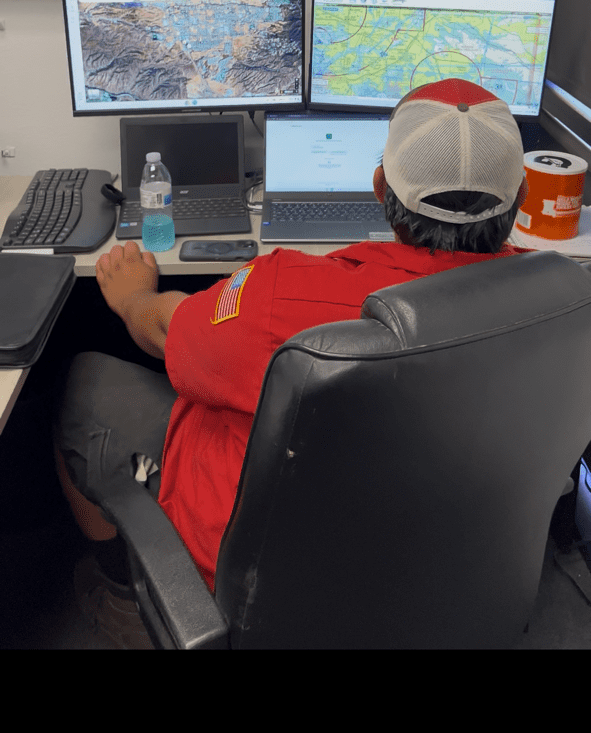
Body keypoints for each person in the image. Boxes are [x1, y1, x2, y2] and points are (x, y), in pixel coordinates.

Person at [53, 77, 533, 647]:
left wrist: (134, 299)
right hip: (448, 556)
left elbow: (169, 334)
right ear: (521, 196)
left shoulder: (280, 294)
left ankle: (124, 596)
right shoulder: (558, 295)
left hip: (261, 570)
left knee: (83, 378)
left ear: (379, 185)